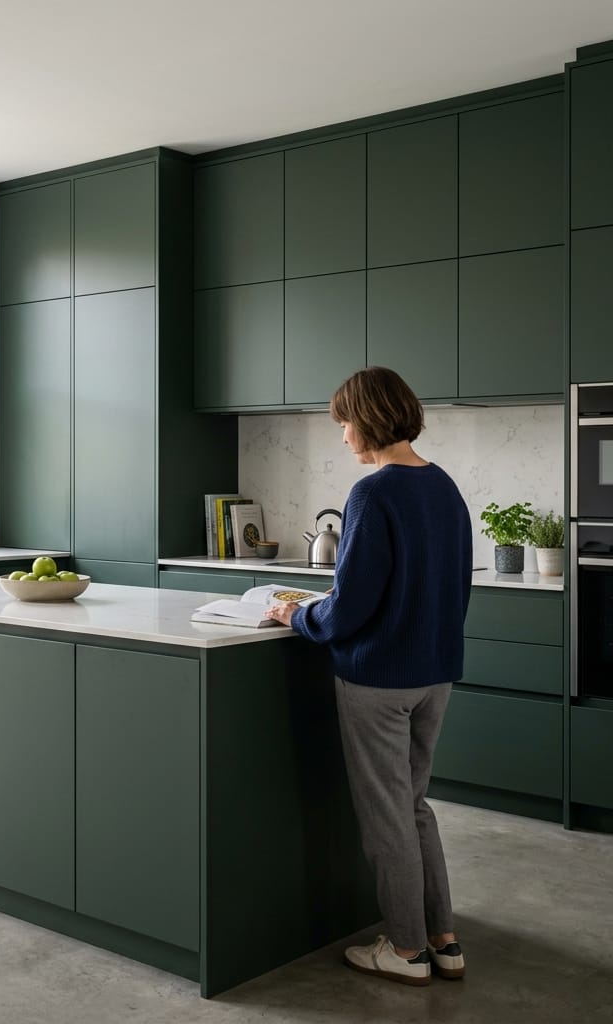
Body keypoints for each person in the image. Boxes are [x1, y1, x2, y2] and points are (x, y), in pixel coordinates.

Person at [265, 366, 472, 987]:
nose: (344, 435)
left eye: (346, 422)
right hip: (435, 674)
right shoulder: (443, 486)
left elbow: (350, 607)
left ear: (371, 420)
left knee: (387, 816)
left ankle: (406, 951)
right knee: (414, 808)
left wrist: (297, 614)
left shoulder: (373, 494)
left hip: (379, 679)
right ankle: (444, 939)